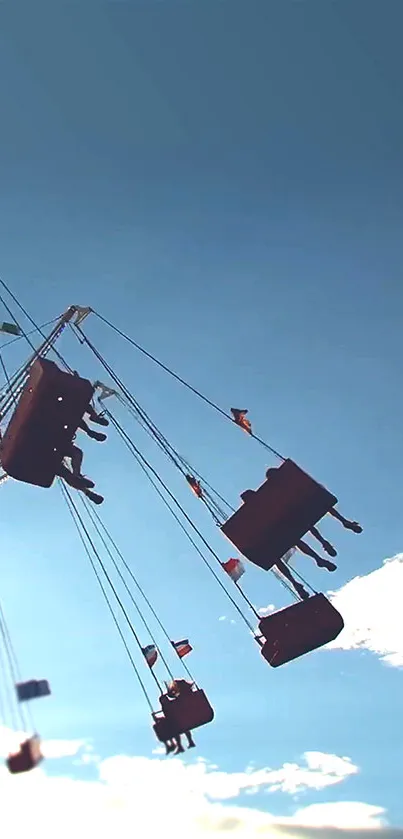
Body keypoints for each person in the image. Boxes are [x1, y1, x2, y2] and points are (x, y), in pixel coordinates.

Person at [161, 680, 196, 755]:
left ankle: (179, 745)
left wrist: (168, 697)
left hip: (182, 717)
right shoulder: (188, 694)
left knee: (175, 724)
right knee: (181, 723)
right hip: (186, 716)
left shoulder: (183, 696)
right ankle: (189, 741)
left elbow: (178, 704)